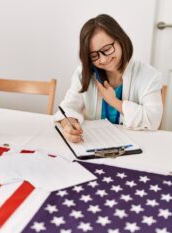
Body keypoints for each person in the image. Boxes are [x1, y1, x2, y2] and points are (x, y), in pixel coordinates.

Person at [54, 14, 163, 143]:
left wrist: (113, 101)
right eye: (94, 55)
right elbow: (68, 109)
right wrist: (69, 125)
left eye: (107, 49)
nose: (103, 59)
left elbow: (153, 120)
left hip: (135, 146)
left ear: (121, 40)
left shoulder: (148, 75)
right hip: (94, 145)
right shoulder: (84, 73)